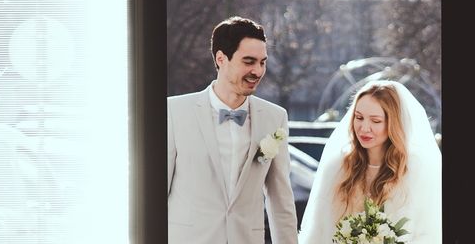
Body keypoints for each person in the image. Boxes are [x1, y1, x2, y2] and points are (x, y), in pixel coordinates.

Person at [167, 16, 299, 244]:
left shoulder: (275, 117)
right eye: (249, 61)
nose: (257, 71)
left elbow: (281, 202)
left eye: (262, 62)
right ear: (221, 59)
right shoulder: (174, 111)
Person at [298, 80, 442, 244]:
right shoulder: (337, 167)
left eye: (375, 121)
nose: (364, 128)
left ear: (393, 123)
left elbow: (429, 235)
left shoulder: (417, 169)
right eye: (359, 118)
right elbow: (319, 232)